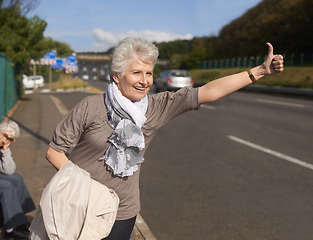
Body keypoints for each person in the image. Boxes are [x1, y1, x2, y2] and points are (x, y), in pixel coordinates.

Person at [46, 37, 284, 240]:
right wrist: (86, 188)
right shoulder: (91, 106)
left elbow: (210, 91)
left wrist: (261, 71)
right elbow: (55, 151)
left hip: (122, 211)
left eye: (148, 73)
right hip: (80, 203)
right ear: (116, 76)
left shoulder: (157, 107)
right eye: (136, 72)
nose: (144, 80)